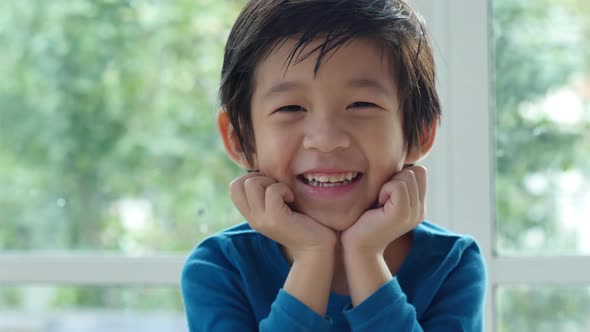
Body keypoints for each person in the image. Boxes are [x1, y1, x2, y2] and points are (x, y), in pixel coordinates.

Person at [181, 0, 487, 331]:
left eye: (361, 104)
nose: (326, 139)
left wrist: (366, 257)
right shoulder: (219, 268)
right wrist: (311, 257)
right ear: (239, 137)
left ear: (421, 131)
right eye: (291, 108)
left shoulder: (452, 264)